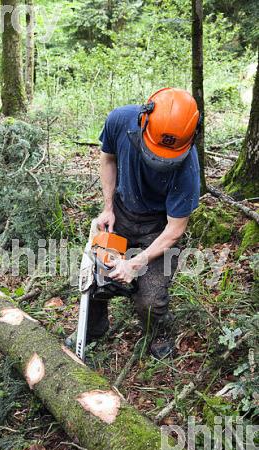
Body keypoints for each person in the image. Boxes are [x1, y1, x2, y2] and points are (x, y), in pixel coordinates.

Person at [80, 87, 201, 359]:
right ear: (143, 120)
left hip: (159, 227)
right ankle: (96, 327)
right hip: (122, 210)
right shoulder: (120, 121)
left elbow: (175, 230)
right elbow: (108, 158)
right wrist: (108, 207)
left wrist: (136, 263)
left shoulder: (188, 171)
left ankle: (158, 334)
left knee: (150, 298)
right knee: (97, 276)